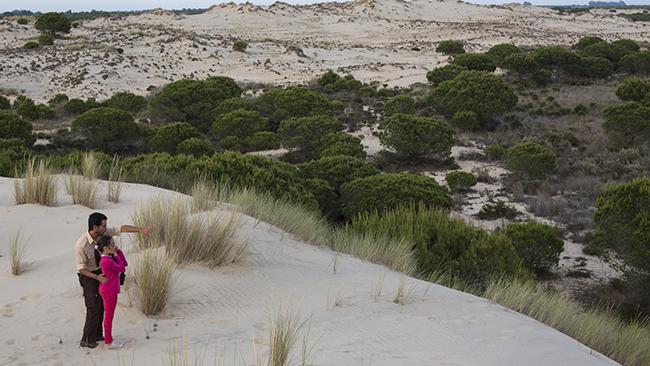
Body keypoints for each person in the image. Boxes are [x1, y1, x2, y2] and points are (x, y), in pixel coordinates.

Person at [74, 212, 154, 349]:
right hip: (89, 276)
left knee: (101, 307)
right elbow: (81, 268)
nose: (106, 228)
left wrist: (141, 230)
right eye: (103, 225)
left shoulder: (103, 235)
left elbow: (121, 229)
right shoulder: (81, 245)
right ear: (95, 227)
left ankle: (98, 335)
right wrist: (96, 277)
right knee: (93, 306)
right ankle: (87, 339)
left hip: (102, 272)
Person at [96, 235, 127, 350]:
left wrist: (118, 252)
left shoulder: (109, 258)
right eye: (112, 245)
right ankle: (108, 341)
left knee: (109, 316)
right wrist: (115, 254)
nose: (114, 246)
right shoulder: (106, 261)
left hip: (109, 290)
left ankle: (109, 338)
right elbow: (122, 268)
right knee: (109, 317)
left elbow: (125, 264)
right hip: (109, 291)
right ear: (105, 248)